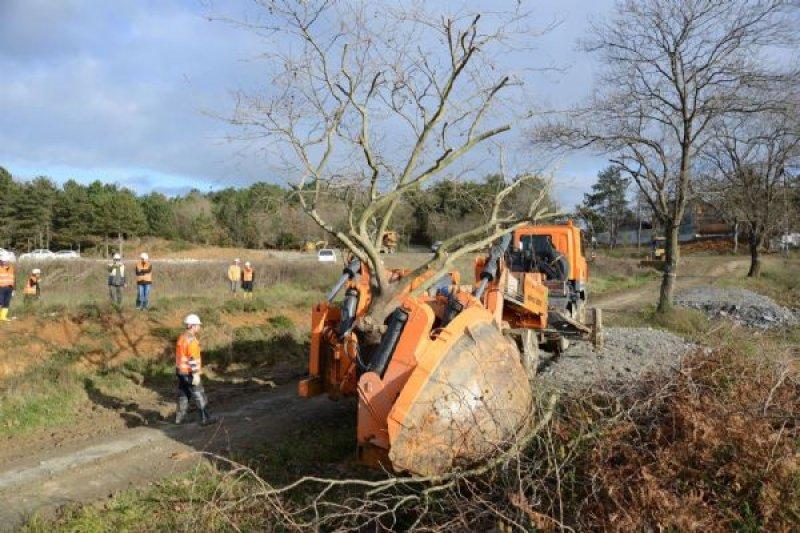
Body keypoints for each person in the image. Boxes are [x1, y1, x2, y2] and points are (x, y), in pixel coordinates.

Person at [175, 314, 217, 426]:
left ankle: (180, 418)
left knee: (184, 394)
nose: (199, 327)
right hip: (190, 372)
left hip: (180, 371)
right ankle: (204, 419)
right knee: (199, 394)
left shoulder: (182, 337)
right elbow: (192, 358)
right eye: (198, 325)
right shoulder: (192, 340)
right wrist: (195, 374)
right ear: (192, 326)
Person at [0, 252, 14, 322]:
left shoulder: (11, 268)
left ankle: (3, 317)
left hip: (9, 288)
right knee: (0, 302)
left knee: (6, 303)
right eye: (4, 261)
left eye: (6, 261)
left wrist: (14, 289)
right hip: (1, 288)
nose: (5, 262)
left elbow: (13, 278)